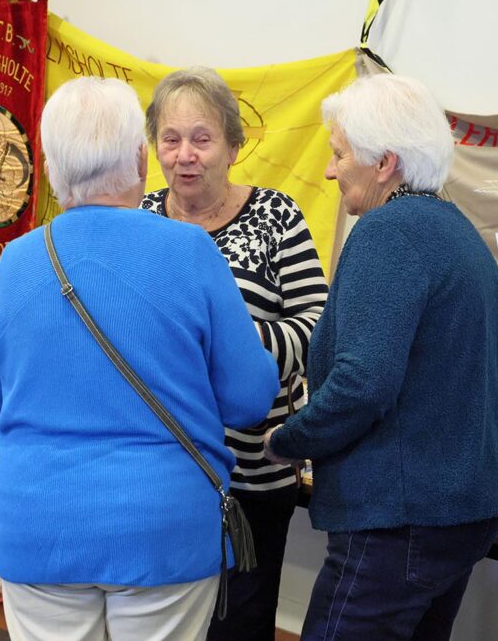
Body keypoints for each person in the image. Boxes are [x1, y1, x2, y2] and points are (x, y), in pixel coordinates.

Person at [0, 76, 279, 641]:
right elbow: (250, 398)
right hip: (161, 528)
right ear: (141, 156)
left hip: (39, 525)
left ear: (51, 165)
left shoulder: (16, 261)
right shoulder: (190, 251)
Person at [263, 74, 498, 641]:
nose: (331, 171)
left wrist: (289, 440)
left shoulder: (389, 232)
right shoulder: (453, 229)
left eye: (338, 155)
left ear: (384, 163)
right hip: (454, 510)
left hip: (401, 518)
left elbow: (364, 382)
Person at [141, 67, 328, 641]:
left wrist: (234, 342)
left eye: (202, 138)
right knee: (165, 618)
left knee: (239, 622)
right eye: (170, 139)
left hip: (253, 469)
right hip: (161, 464)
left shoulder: (276, 216)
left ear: (232, 145)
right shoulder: (140, 219)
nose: (184, 155)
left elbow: (319, 327)